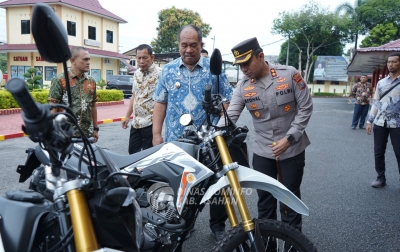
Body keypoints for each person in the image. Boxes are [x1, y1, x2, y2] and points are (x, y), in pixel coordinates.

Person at [217, 37, 313, 233]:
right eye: (239, 64)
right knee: (265, 201)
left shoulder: (289, 75)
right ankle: (267, 245)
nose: (243, 68)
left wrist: (290, 138)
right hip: (263, 152)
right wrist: (214, 132)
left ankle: (293, 245)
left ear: (260, 56)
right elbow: (231, 115)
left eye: (246, 63)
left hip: (292, 148)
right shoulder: (243, 86)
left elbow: (305, 108)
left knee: (289, 199)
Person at [152, 24, 233, 241]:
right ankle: (179, 225)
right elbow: (160, 103)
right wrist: (156, 135)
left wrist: (219, 124)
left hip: (209, 142)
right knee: (178, 185)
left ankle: (217, 227)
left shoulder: (213, 70)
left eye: (193, 45)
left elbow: (228, 99)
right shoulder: (168, 70)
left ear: (201, 45)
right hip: (176, 142)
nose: (188, 49)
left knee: (218, 185)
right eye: (184, 45)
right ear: (178, 45)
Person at [48, 46, 99, 142]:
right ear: (73, 60)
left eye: (89, 59)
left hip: (87, 135)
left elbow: (93, 106)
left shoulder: (91, 81)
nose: (88, 62)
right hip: (65, 135)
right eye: (85, 59)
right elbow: (53, 107)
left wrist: (95, 129)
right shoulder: (60, 80)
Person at [367, 52, 400, 188]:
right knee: (379, 152)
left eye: (394, 62)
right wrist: (370, 121)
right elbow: (376, 103)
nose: (390, 64)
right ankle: (381, 178)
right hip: (380, 122)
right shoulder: (381, 83)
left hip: (397, 124)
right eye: (389, 62)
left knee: (399, 152)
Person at [122, 44, 161, 154]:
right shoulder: (136, 74)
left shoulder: (160, 74)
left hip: (151, 123)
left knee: (148, 156)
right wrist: (127, 117)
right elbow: (134, 96)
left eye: (145, 57)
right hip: (136, 122)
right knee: (132, 153)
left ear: (152, 57)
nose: (141, 61)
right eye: (139, 58)